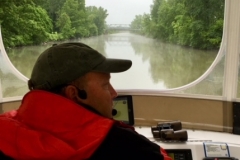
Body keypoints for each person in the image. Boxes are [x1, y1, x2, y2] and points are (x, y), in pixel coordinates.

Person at [0, 42, 172, 160]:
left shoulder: (5, 131)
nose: (114, 93)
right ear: (74, 94)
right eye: (105, 85)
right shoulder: (125, 145)